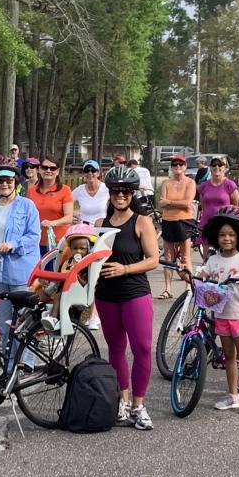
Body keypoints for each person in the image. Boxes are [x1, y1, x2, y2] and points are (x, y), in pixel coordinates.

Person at [93, 165, 160, 430]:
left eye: (126, 191)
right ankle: (122, 399)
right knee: (116, 348)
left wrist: (125, 269)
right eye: (116, 191)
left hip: (135, 293)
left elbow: (154, 260)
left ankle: (138, 405)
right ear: (109, 194)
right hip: (106, 294)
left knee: (142, 349)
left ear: (133, 194)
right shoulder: (100, 224)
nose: (120, 196)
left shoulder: (142, 222)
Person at [195, 206, 239, 414]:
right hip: (220, 315)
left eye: (231, 235)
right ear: (215, 237)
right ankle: (233, 396)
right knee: (229, 358)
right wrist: (188, 274)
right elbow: (201, 277)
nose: (226, 239)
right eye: (222, 235)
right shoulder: (213, 260)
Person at [0, 165, 40, 346]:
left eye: (9, 180)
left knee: (23, 322)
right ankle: (7, 365)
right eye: (0, 180)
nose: (5, 184)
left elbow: (34, 236)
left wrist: (13, 245)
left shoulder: (27, 205)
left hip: (20, 271)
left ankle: (24, 365)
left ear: (15, 183)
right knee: (3, 322)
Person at [37, 224, 96, 334]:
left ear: (89, 248)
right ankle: (24, 316)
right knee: (41, 294)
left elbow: (87, 283)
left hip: (77, 293)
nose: (78, 251)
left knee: (59, 296)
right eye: (74, 248)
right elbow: (60, 274)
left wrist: (76, 274)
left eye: (82, 248)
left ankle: (53, 318)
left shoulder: (88, 266)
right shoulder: (68, 262)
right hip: (61, 288)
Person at [71, 159, 108, 330]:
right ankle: (81, 309)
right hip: (84, 236)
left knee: (98, 273)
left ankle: (95, 314)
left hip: (102, 234)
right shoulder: (79, 191)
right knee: (83, 272)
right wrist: (71, 217)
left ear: (99, 173)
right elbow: (66, 204)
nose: (90, 174)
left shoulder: (106, 189)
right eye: (87, 171)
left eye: (93, 171)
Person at [158, 155, 197, 299]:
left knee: (185, 256)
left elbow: (187, 202)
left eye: (181, 164)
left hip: (185, 221)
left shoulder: (190, 182)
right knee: (168, 256)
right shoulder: (166, 183)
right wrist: (173, 202)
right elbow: (160, 203)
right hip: (168, 220)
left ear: (185, 166)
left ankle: (189, 287)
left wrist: (169, 202)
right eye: (175, 164)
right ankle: (167, 288)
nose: (178, 167)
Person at [27, 156, 73, 255]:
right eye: (45, 167)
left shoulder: (65, 190)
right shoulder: (31, 191)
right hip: (35, 241)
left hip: (58, 242)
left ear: (57, 171)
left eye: (52, 168)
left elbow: (69, 218)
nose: (48, 170)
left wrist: (53, 223)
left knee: (54, 270)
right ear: (39, 169)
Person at [195, 156, 239, 258]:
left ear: (225, 168)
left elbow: (235, 205)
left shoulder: (230, 185)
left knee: (224, 257)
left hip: (224, 224)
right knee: (207, 259)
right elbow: (203, 204)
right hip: (207, 224)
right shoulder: (204, 186)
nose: (217, 167)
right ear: (210, 167)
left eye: (220, 165)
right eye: (214, 165)